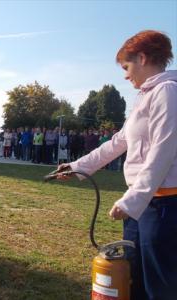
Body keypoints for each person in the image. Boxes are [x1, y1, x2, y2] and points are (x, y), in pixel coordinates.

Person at [57, 30, 177, 300]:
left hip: (164, 207)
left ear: (143, 58)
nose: (125, 74)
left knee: (159, 287)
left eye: (126, 66)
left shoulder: (168, 92)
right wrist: (77, 166)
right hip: (144, 206)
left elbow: (163, 152)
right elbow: (117, 142)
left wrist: (131, 200)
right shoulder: (145, 96)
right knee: (133, 281)